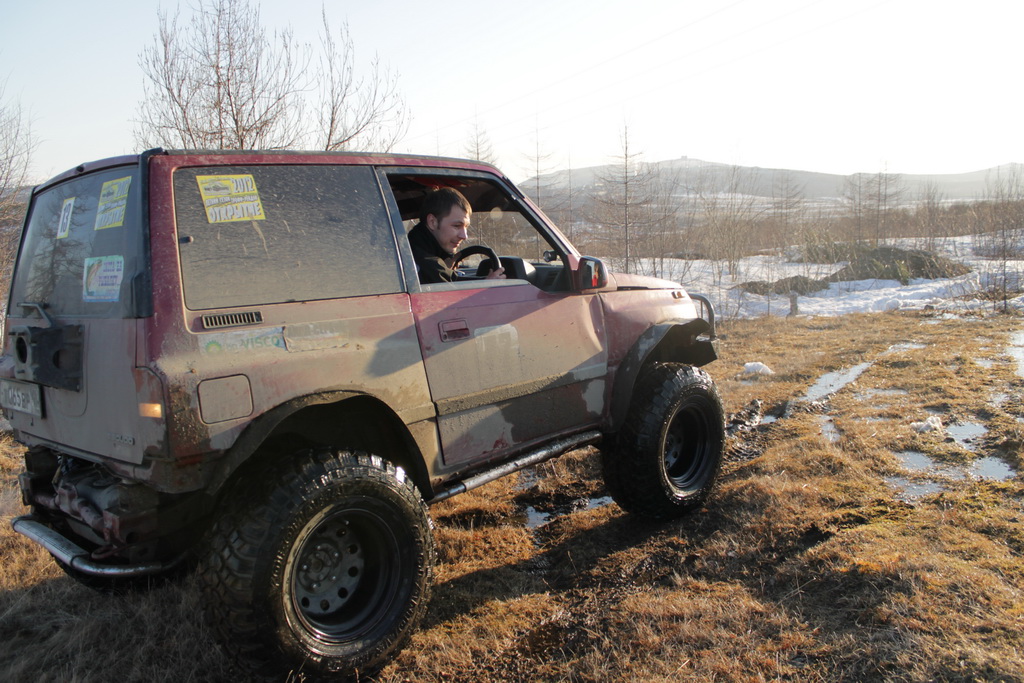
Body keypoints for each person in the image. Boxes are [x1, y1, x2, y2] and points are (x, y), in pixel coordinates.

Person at [407, 187, 505, 284]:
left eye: (466, 227)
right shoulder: (427, 266)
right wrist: (488, 286)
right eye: (457, 226)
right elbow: (450, 293)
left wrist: (446, 267)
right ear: (432, 222)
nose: (464, 236)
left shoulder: (411, 252)